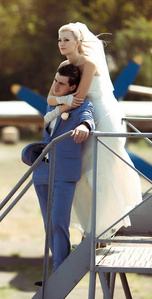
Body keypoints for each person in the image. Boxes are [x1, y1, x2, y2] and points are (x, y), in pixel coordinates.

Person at [46, 22, 142, 238]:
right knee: (81, 173)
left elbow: (79, 98)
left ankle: (102, 229)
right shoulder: (63, 65)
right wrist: (59, 104)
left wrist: (54, 112)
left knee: (99, 170)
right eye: (60, 40)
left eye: (66, 40)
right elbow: (50, 97)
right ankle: (91, 227)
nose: (61, 43)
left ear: (78, 42)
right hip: (78, 118)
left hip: (101, 117)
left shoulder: (89, 64)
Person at [21, 64, 95, 276]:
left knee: (58, 221)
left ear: (73, 87)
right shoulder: (52, 106)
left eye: (61, 83)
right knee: (48, 224)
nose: (55, 86)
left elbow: (88, 119)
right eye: (55, 81)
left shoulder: (83, 106)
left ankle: (59, 270)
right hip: (42, 171)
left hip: (64, 172)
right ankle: (59, 265)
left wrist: (84, 127)